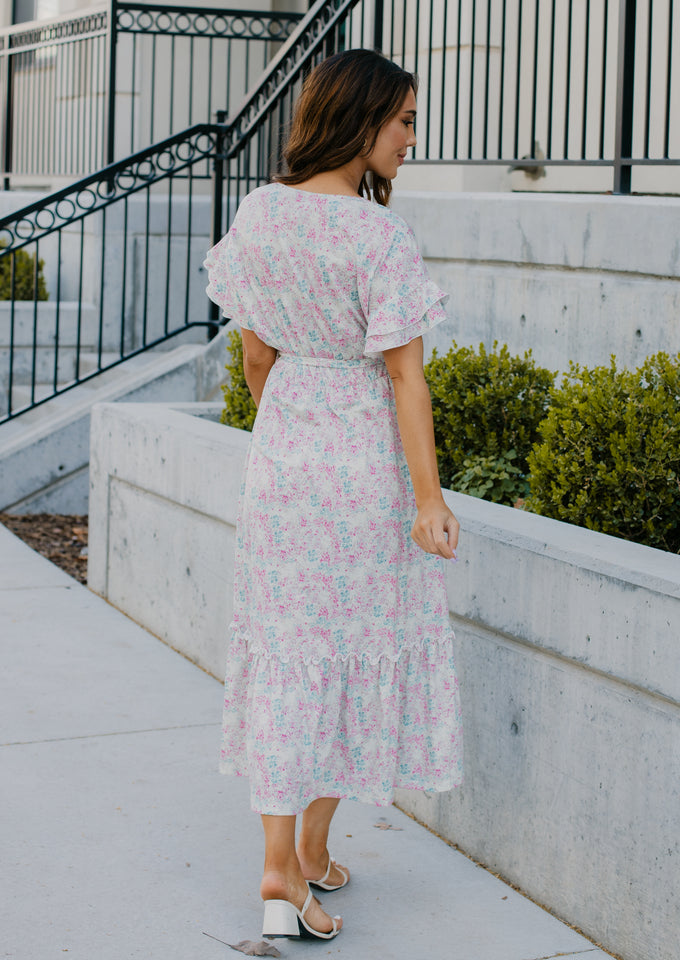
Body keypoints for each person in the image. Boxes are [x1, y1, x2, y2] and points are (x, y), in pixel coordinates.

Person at [204, 48, 463, 942]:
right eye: (405, 122)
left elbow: (255, 355)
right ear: (361, 122)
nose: (411, 139)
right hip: (358, 470)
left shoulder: (260, 215)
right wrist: (428, 502)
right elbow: (405, 382)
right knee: (348, 658)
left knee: (290, 659)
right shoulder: (378, 236)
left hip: (283, 462)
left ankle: (298, 864)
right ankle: (290, 867)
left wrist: (287, 440)